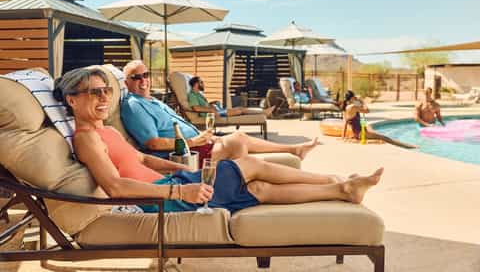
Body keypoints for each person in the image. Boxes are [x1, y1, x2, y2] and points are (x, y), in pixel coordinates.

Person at [53, 67, 384, 214]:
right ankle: (337, 181)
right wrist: (179, 189)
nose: (103, 98)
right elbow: (116, 187)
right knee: (249, 163)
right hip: (160, 200)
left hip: (173, 182)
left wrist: (186, 170)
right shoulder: (86, 139)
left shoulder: (106, 131)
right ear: (71, 100)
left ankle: (343, 190)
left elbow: (142, 160)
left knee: (259, 190)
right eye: (93, 92)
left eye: (106, 90)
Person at [121, 60, 320, 163]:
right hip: (184, 154)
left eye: (145, 75)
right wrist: (193, 141)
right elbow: (153, 143)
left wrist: (201, 136)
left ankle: (293, 149)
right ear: (126, 81)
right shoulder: (134, 105)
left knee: (239, 136)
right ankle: (243, 182)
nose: (143, 80)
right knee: (238, 140)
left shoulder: (153, 100)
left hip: (197, 142)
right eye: (136, 77)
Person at [342, 90, 417, 149]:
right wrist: (362, 101)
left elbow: (345, 122)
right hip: (361, 133)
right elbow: (367, 110)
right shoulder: (353, 107)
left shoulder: (346, 107)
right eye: (354, 97)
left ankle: (408, 146)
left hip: (358, 133)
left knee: (373, 130)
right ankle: (408, 146)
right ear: (352, 98)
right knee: (385, 138)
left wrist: (343, 136)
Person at [188, 76, 275, 118]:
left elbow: (203, 105)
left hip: (217, 110)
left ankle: (263, 112)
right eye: (201, 82)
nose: (203, 84)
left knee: (241, 108)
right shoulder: (192, 95)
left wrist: (212, 104)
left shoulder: (198, 94)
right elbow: (196, 108)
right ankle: (264, 112)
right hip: (212, 114)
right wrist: (211, 110)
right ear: (196, 84)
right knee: (240, 110)